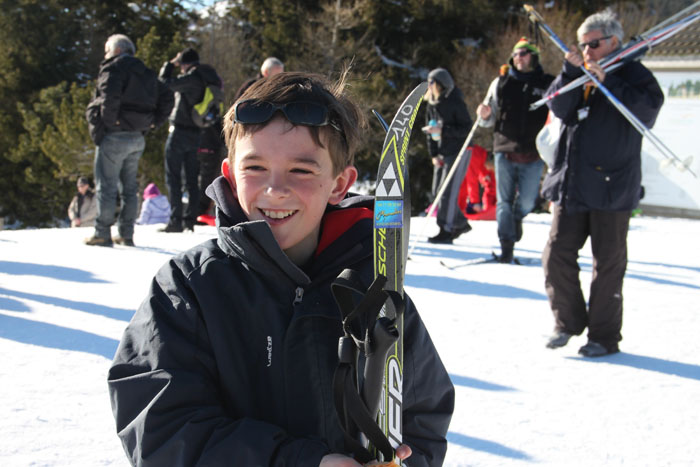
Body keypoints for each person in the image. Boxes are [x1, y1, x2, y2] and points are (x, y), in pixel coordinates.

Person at [108, 71, 454, 466]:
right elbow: (161, 432)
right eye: (254, 168)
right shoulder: (188, 290)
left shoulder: (374, 292)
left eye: (302, 170)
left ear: (340, 184)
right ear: (230, 176)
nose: (275, 189)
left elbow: (422, 415)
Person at [540, 10, 664, 357]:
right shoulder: (576, 74)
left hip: (613, 187)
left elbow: (648, 111)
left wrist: (608, 79)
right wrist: (569, 70)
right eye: (582, 44)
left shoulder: (634, 73)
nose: (587, 50)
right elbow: (557, 106)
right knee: (555, 255)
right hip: (572, 182)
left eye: (593, 43)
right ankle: (568, 322)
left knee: (608, 264)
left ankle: (604, 336)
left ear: (613, 41)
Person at [85, 34, 174, 247]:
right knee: (129, 187)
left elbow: (109, 98)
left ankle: (102, 233)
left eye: (107, 51)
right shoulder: (147, 72)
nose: (105, 55)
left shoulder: (113, 68)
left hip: (114, 135)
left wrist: (109, 123)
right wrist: (153, 123)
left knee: (106, 186)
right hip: (137, 137)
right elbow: (168, 96)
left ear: (116, 51)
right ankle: (126, 233)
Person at [477, 37, 554, 263]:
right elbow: (487, 118)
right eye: (516, 54)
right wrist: (484, 115)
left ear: (534, 57)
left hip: (534, 151)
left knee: (529, 200)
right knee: (503, 201)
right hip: (505, 148)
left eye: (524, 53)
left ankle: (517, 217)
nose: (519, 57)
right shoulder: (501, 83)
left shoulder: (547, 83)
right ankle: (506, 247)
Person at [158, 47, 222, 232]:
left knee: (173, 176)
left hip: (179, 132)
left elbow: (164, 83)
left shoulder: (192, 78)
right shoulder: (209, 78)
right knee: (192, 178)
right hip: (197, 133)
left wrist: (169, 65)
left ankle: (175, 221)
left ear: (185, 64)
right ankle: (189, 219)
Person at [423, 67, 473, 244]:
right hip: (442, 152)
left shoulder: (455, 102)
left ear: (441, 84)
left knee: (447, 191)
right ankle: (460, 223)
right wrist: (433, 153)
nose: (428, 85)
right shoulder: (431, 104)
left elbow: (467, 129)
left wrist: (443, 130)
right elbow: (431, 131)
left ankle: (447, 228)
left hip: (459, 151)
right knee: (437, 192)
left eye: (431, 82)